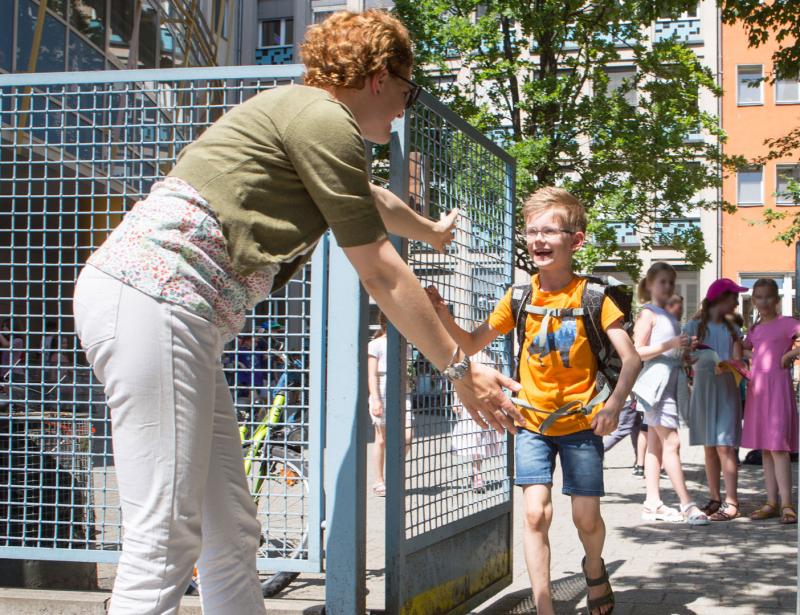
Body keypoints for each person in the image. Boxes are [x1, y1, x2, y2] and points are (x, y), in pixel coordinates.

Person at [71, 11, 523, 614]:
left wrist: (432, 233)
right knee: (165, 533)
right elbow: (382, 271)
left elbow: (373, 198)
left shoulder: (309, 119)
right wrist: (457, 370)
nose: (403, 109)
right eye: (407, 91)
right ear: (376, 76)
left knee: (230, 531)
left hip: (171, 316)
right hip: (153, 301)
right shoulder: (321, 116)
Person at [426, 187, 640, 615]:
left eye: (549, 231)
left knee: (585, 519)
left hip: (582, 424)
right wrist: (441, 313)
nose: (538, 239)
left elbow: (630, 358)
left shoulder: (593, 297)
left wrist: (614, 405)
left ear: (575, 241)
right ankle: (544, 608)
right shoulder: (519, 297)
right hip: (531, 423)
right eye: (531, 231)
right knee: (535, 515)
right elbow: (470, 343)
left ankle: (593, 567)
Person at [631, 262, 708, 525]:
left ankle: (652, 503)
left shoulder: (669, 316)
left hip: (669, 385)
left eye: (671, 282)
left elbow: (670, 353)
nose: (668, 286)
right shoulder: (647, 314)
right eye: (662, 281)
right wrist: (671, 345)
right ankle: (687, 505)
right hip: (657, 387)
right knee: (672, 443)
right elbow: (635, 351)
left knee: (655, 445)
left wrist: (685, 353)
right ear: (650, 284)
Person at [684, 278, 746, 521]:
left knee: (724, 445)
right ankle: (714, 498)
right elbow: (683, 358)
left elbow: (740, 362)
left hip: (727, 390)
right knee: (709, 446)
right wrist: (688, 354)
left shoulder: (733, 329)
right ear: (721, 298)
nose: (738, 301)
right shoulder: (693, 326)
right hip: (704, 389)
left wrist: (731, 364)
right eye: (734, 296)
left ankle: (732, 502)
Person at [741, 278, 800, 524]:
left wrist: (791, 354)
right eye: (759, 297)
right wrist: (748, 358)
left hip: (779, 390)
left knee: (779, 447)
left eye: (768, 296)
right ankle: (771, 501)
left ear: (776, 300)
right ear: (754, 301)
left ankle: (787, 503)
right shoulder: (754, 330)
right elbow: (743, 349)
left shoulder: (788, 323)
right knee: (766, 448)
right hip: (758, 391)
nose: (763, 301)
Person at [367, 310, 413, 497]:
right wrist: (375, 399)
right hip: (382, 388)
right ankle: (379, 479)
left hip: (403, 391)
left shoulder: (406, 345)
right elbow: (371, 374)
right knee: (382, 438)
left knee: (408, 435)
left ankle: (394, 471)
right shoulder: (375, 344)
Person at [450, 349, 502, 493]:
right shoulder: (467, 354)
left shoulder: (495, 356)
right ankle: (477, 475)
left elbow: (498, 382)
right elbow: (458, 377)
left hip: (488, 403)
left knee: (482, 437)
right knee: (474, 436)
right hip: (470, 402)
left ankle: (476, 472)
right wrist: (456, 399)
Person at [601, 397, 648, 477]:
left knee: (636, 427)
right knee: (623, 429)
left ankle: (640, 460)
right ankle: (599, 449)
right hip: (630, 399)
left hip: (630, 399)